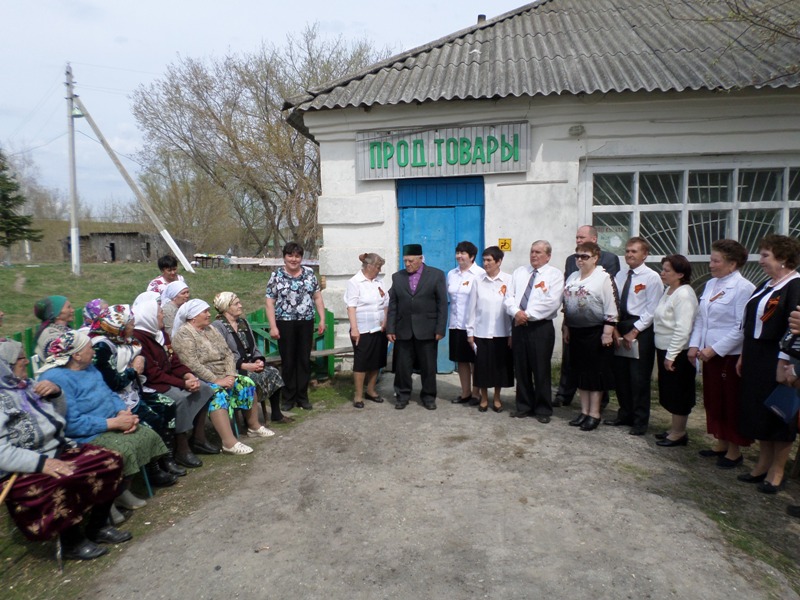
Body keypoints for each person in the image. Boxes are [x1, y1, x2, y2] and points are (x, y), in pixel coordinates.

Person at [0, 337, 131, 560]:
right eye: (21, 357)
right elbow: (2, 453)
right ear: (6, 365)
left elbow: (59, 417)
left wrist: (56, 394)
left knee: (111, 460)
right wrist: (42, 463)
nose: (25, 362)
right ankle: (72, 541)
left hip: (57, 450)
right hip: (22, 469)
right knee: (65, 478)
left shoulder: (28, 386)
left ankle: (97, 527)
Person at [38, 331, 169, 512]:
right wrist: (115, 423)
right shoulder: (57, 378)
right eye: (90, 348)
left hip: (112, 420)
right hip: (87, 435)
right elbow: (73, 424)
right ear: (76, 355)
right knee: (124, 449)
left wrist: (123, 412)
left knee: (146, 434)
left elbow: (109, 394)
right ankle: (110, 497)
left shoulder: (89, 368)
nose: (93, 352)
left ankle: (122, 489)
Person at [88, 304, 182, 483]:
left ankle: (168, 458)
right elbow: (112, 384)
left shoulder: (124, 340)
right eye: (130, 323)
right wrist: (134, 370)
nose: (133, 326)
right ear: (119, 325)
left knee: (167, 405)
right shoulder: (102, 347)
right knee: (151, 418)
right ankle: (153, 468)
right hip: (116, 399)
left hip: (133, 391)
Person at [736, 234, 800, 493]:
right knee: (759, 411)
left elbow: (793, 328)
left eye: (765, 255)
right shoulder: (767, 284)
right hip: (755, 354)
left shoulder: (795, 285)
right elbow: (751, 321)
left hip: (778, 356)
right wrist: (743, 354)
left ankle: (777, 470)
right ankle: (762, 464)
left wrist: (784, 361)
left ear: (783, 259)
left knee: (778, 413)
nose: (760, 260)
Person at [688, 239, 755, 468]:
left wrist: (714, 350)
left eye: (716, 261)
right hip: (708, 352)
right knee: (714, 399)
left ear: (732, 264)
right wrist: (694, 345)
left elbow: (741, 328)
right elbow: (701, 318)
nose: (711, 265)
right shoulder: (710, 285)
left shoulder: (743, 288)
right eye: (711, 260)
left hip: (728, 354)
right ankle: (721, 441)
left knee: (730, 401)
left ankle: (734, 449)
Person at [131, 292, 213, 469]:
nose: (163, 315)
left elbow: (173, 361)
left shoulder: (161, 334)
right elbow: (153, 374)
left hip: (170, 378)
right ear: (149, 316)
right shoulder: (139, 339)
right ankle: (181, 448)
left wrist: (188, 375)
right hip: (152, 385)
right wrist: (183, 384)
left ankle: (198, 438)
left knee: (205, 389)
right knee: (180, 399)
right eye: (159, 313)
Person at [172, 299, 264, 455]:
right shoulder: (184, 334)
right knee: (217, 393)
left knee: (246, 382)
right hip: (202, 378)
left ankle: (253, 426)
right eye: (205, 312)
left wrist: (230, 374)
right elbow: (192, 364)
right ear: (193, 317)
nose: (209, 315)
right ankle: (229, 442)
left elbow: (228, 353)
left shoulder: (210, 330)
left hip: (224, 374)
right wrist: (216, 380)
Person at [555, 226, 620, 407]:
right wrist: (566, 322)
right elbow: (567, 296)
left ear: (594, 239)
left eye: (582, 237)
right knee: (577, 367)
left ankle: (596, 408)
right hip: (575, 327)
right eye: (576, 238)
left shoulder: (607, 266)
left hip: (596, 327)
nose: (578, 240)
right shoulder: (572, 267)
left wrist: (609, 330)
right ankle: (576, 403)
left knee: (596, 370)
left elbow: (610, 300)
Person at [607, 237, 662, 435]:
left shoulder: (652, 277)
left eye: (634, 251)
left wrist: (635, 331)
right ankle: (625, 414)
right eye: (628, 251)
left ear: (645, 254)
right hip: (621, 325)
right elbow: (612, 302)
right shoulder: (620, 275)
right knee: (621, 374)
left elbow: (652, 308)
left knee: (638, 378)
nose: (629, 254)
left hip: (641, 328)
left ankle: (640, 420)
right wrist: (613, 327)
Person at [504, 240, 564, 422]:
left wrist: (527, 315)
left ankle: (543, 409)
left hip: (540, 327)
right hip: (519, 326)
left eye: (538, 252)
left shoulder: (554, 275)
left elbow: (552, 302)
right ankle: (524, 406)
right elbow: (509, 297)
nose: (534, 255)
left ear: (548, 256)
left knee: (541, 369)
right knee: (521, 368)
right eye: (532, 251)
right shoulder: (520, 272)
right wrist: (516, 312)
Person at [211, 291, 291, 424]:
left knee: (273, 372)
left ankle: (276, 413)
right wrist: (243, 365)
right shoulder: (218, 326)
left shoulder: (243, 322)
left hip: (250, 364)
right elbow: (222, 354)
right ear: (226, 307)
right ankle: (250, 420)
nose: (240, 306)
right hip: (233, 369)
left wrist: (258, 360)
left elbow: (254, 347)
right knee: (251, 379)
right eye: (236, 304)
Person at [386, 243, 448, 410]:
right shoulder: (397, 277)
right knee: (402, 366)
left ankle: (428, 397)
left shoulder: (436, 275)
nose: (407, 264)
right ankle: (402, 395)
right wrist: (390, 329)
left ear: (421, 258)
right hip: (403, 329)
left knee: (428, 366)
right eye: (405, 261)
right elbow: (393, 305)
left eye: (411, 261)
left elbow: (442, 304)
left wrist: (440, 328)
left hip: (427, 329)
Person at [265, 242, 326, 411]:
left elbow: (317, 297)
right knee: (289, 360)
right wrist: (273, 326)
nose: (294, 259)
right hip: (284, 323)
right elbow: (270, 302)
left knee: (304, 360)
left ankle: (302, 397)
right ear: (284, 257)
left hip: (306, 322)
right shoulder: (276, 276)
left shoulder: (309, 274)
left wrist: (322, 319)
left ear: (301, 257)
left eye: (297, 256)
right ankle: (288, 398)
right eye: (290, 255)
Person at [653, 255, 698, 447]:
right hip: (664, 347)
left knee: (679, 392)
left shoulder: (684, 294)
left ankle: (679, 432)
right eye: (662, 269)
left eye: (667, 270)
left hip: (677, 352)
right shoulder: (670, 290)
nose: (662, 273)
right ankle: (674, 428)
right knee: (670, 391)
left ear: (680, 274)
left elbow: (683, 328)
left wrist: (671, 355)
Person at [467, 246, 514, 413]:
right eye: (484, 260)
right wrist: (470, 332)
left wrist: (510, 333)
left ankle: (497, 398)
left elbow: (511, 308)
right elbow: (471, 308)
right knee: (482, 368)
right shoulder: (478, 281)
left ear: (499, 261)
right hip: (481, 331)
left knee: (499, 367)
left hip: (501, 332)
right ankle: (484, 398)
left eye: (489, 260)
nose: (485, 263)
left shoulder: (508, 280)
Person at [344, 253, 390, 409]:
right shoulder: (355, 282)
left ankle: (371, 390)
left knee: (376, 360)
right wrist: (354, 329)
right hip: (362, 329)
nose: (379, 270)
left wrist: (385, 320)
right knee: (362, 362)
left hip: (379, 328)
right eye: (378, 267)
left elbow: (385, 303)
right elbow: (351, 307)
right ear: (369, 266)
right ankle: (358, 395)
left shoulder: (379, 282)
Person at [446, 241, 484, 405]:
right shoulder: (451, 274)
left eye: (463, 253)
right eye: (458, 253)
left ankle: (477, 394)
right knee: (461, 360)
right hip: (455, 324)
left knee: (475, 361)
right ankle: (465, 393)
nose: (459, 256)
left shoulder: (479, 274)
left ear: (472, 256)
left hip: (473, 325)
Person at [33, 296, 73, 360]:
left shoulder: (64, 329)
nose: (72, 310)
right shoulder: (50, 336)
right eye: (68, 307)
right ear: (57, 315)